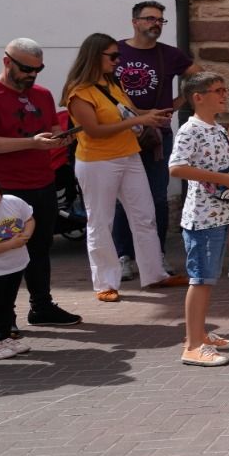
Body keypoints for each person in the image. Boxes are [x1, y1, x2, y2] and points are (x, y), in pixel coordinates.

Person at [62, 33, 177, 298]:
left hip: (128, 154)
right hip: (98, 161)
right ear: (94, 56)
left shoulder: (111, 83)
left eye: (118, 56)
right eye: (113, 56)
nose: (118, 61)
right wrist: (141, 120)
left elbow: (129, 110)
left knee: (144, 215)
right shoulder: (79, 92)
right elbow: (94, 131)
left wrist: (150, 116)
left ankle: (154, 275)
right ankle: (105, 284)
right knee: (101, 221)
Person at [0, 39, 82, 328]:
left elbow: (53, 129)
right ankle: (3, 318)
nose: (32, 75)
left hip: (42, 182)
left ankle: (41, 306)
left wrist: (62, 136)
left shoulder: (42, 95)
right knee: (5, 251)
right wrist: (31, 143)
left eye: (38, 69)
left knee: (40, 248)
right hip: (5, 188)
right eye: (26, 69)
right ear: (7, 62)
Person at [166, 72, 229, 367]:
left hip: (219, 214)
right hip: (202, 217)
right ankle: (192, 345)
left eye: (224, 89)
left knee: (207, 278)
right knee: (200, 279)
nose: (224, 94)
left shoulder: (217, 128)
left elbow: (225, 162)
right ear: (198, 98)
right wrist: (222, 178)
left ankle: (200, 333)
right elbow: (176, 168)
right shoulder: (191, 130)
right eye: (218, 90)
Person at [111, 0, 196, 280]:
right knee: (124, 198)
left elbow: (198, 78)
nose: (155, 24)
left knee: (157, 197)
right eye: (149, 19)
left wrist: (177, 103)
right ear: (135, 22)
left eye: (160, 20)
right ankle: (124, 255)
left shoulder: (169, 55)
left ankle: (155, 254)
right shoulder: (115, 51)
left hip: (156, 137)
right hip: (121, 133)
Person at [0, 177, 37, 359]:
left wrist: (26, 234)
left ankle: (5, 337)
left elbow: (29, 219)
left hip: (15, 265)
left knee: (6, 304)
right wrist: (11, 244)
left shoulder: (13, 202)